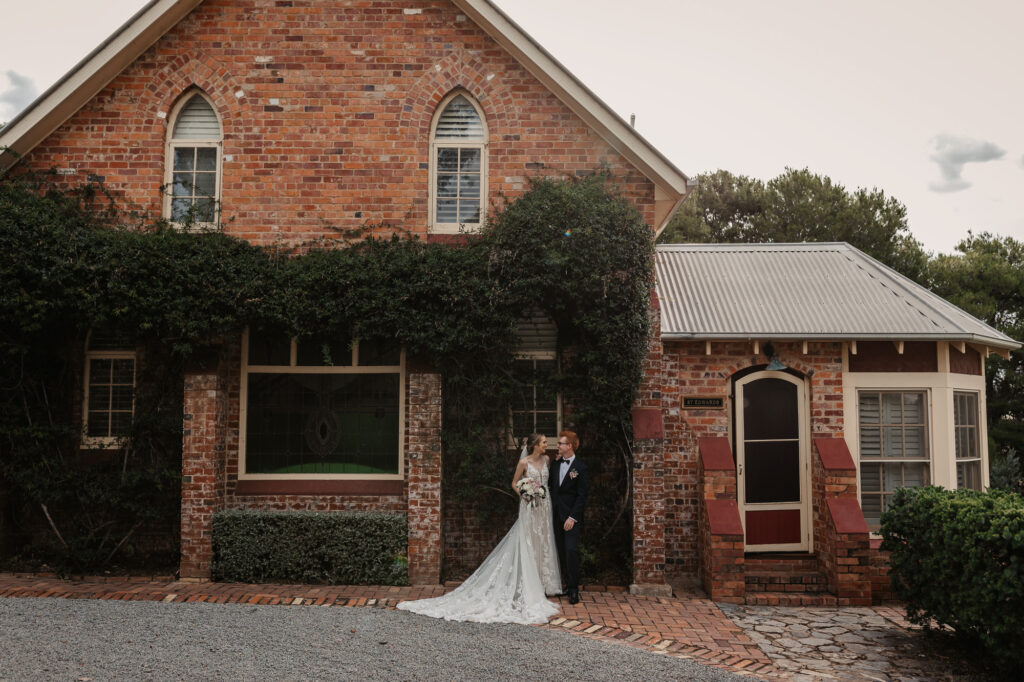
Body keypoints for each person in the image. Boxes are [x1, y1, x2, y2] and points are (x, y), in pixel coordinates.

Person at [396, 433, 562, 624]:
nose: (545, 445)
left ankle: (541, 584)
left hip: (544, 505)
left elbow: (546, 482)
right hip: (529, 506)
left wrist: (540, 492)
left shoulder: (548, 459)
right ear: (534, 445)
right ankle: (525, 586)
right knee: (528, 542)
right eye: (542, 442)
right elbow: (514, 483)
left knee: (543, 541)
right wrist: (525, 494)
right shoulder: (524, 463)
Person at [550, 429, 588, 605]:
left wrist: (572, 517)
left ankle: (573, 590)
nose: (558, 445)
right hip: (555, 515)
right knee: (560, 551)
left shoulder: (580, 468)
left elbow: (582, 495)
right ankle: (565, 584)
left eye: (561, 443)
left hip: (570, 518)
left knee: (571, 550)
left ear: (570, 446)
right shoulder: (556, 464)